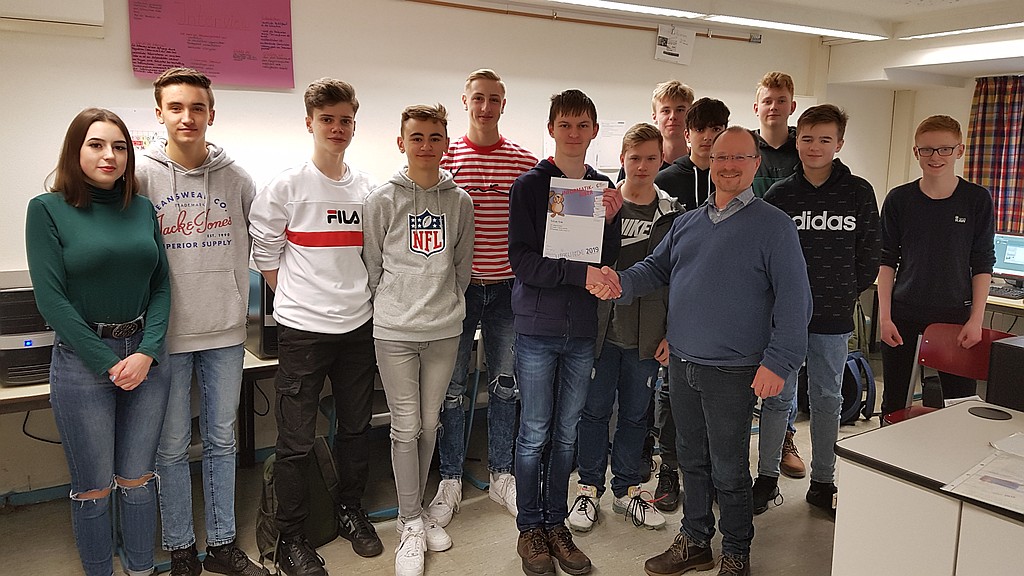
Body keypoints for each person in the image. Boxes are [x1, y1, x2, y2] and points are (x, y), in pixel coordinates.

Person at [595, 126, 811, 576]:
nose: (728, 165)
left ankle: (736, 551)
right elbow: (654, 269)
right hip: (683, 364)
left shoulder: (774, 226)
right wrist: (619, 282)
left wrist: (779, 362)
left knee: (728, 468)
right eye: (720, 157)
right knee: (689, 459)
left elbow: (795, 301)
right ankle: (695, 541)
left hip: (733, 371)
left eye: (739, 157)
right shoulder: (688, 222)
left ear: (756, 164)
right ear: (709, 163)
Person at [25, 107, 171, 576]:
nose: (110, 155)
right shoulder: (46, 210)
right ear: (75, 151)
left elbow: (161, 287)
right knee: (93, 488)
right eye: (96, 144)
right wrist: (107, 362)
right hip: (82, 361)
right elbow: (51, 300)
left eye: (120, 147)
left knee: (138, 480)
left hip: (145, 359)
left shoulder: (142, 209)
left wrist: (147, 351)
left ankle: (141, 568)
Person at [249, 78, 383, 576]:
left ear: (354, 125)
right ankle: (291, 537)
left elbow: (372, 254)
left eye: (346, 120)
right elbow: (265, 255)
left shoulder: (368, 189)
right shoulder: (285, 187)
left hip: (358, 327)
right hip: (303, 332)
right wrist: (299, 299)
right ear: (309, 123)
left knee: (355, 428)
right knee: (296, 440)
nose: (337, 128)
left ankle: (350, 509)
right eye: (327, 119)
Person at [136, 67, 267, 576]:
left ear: (212, 113)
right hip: (165, 334)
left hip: (225, 331)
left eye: (197, 107)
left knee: (221, 440)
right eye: (176, 107)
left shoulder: (237, 179)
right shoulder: (140, 177)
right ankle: (180, 548)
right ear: (160, 114)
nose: (187, 117)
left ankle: (222, 544)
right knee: (170, 445)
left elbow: (266, 241)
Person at [508, 89, 622, 576]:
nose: (574, 133)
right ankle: (530, 527)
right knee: (534, 431)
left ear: (594, 131)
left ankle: (556, 523)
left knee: (567, 433)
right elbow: (523, 262)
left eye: (582, 125)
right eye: (565, 124)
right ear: (552, 129)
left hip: (581, 332)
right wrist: (580, 273)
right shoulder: (530, 187)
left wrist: (611, 220)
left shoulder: (601, 188)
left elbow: (605, 260)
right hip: (537, 328)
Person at [363, 103, 474, 576]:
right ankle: (409, 522)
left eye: (434, 137)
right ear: (401, 142)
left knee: (430, 424)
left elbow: (462, 267)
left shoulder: (460, 201)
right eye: (416, 137)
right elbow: (372, 266)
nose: (426, 146)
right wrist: (396, 304)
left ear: (445, 143)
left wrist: (443, 302)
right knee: (405, 426)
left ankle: (420, 509)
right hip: (395, 331)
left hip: (444, 329)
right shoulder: (381, 199)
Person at [427, 69, 538, 527]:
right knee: (451, 388)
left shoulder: (524, 162)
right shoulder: (445, 158)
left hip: (509, 290)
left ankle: (501, 474)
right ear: (465, 101)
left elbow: (548, 220)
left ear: (503, 105)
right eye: (478, 98)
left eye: (494, 99)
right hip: (459, 290)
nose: (486, 106)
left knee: (506, 385)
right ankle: (451, 478)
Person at [759, 104, 881, 516]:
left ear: (839, 144)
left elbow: (870, 255)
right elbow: (763, 257)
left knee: (828, 399)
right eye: (808, 138)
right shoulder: (780, 195)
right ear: (798, 141)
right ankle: (766, 478)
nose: (815, 147)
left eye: (825, 139)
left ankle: (823, 481)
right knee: (778, 399)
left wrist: (844, 291)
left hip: (832, 316)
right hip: (784, 319)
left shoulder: (858, 192)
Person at [569, 123, 680, 533]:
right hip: (600, 334)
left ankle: (628, 490)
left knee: (636, 416)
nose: (643, 166)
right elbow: (573, 260)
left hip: (646, 337)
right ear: (622, 159)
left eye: (651, 158)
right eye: (635, 158)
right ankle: (588, 489)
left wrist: (671, 332)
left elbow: (677, 280)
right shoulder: (597, 205)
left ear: (662, 160)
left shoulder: (674, 215)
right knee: (594, 412)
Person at [878, 115, 995, 417]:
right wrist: (885, 318)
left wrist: (976, 320)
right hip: (904, 315)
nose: (935, 157)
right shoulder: (899, 199)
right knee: (895, 403)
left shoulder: (977, 199)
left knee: (960, 406)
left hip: (955, 317)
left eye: (944, 149)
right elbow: (886, 261)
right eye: (927, 150)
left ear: (959, 151)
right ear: (916, 152)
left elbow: (982, 262)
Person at [751, 70, 806, 479]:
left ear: (792, 106)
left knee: (785, 371)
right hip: (749, 276)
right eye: (767, 100)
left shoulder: (803, 151)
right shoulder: (744, 148)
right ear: (757, 107)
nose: (774, 107)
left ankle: (786, 438)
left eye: (781, 100)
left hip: (789, 271)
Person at [654, 98, 730, 212]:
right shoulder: (663, 180)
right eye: (699, 130)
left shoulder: (734, 178)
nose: (707, 137)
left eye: (716, 129)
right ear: (687, 135)